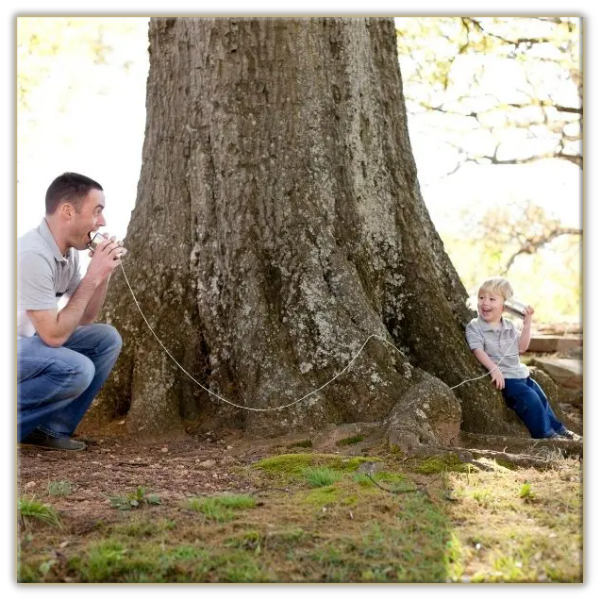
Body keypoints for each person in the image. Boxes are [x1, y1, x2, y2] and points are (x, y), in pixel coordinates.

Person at [16, 172, 125, 451]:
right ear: (68, 211)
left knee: (105, 339)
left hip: (28, 344)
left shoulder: (68, 253)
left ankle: (48, 430)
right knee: (77, 368)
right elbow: (53, 336)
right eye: (97, 211)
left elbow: (85, 318)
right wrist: (92, 276)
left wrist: (102, 273)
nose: (103, 221)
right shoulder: (33, 254)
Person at [465, 276, 582, 442]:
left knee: (540, 396)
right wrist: (494, 369)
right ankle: (546, 434)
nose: (485, 303)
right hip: (506, 378)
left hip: (520, 374)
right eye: (481, 298)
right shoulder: (475, 326)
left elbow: (522, 347)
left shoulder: (509, 326)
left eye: (492, 299)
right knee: (530, 399)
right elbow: (477, 350)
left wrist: (527, 324)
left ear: (506, 306)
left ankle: (559, 429)